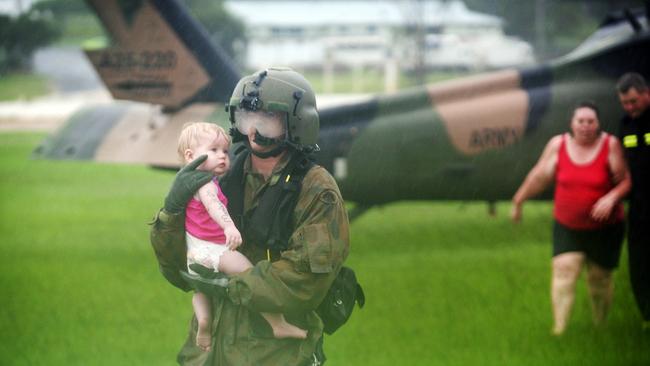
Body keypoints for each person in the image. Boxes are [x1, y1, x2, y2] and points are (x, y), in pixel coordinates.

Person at [150, 67, 349, 365]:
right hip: (207, 354)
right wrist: (172, 211)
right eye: (247, 119)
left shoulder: (315, 190)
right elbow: (175, 269)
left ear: (295, 124)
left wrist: (231, 286)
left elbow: (303, 282)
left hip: (274, 356)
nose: (254, 131)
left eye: (267, 120)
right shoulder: (217, 178)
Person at [176, 122, 308, 352]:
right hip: (215, 250)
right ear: (190, 156)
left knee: (201, 290)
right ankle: (277, 323)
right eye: (214, 150)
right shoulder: (205, 184)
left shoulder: (186, 183)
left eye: (225, 151)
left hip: (195, 252)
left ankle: (204, 322)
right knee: (252, 276)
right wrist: (230, 228)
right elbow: (215, 207)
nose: (223, 157)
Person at [510, 101, 631, 335]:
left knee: (599, 279)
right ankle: (559, 330)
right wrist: (518, 201)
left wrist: (611, 198)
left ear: (597, 124)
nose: (585, 126)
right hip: (568, 225)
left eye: (590, 121)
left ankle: (600, 326)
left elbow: (626, 181)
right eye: (581, 121)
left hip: (605, 227)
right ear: (572, 124)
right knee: (564, 270)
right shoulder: (558, 145)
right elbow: (539, 176)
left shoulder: (611, 145)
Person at [616, 72, 650, 329]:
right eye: (625, 103)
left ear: (646, 94)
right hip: (639, 207)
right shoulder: (625, 125)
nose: (630, 107)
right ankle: (647, 315)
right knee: (638, 262)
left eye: (634, 101)